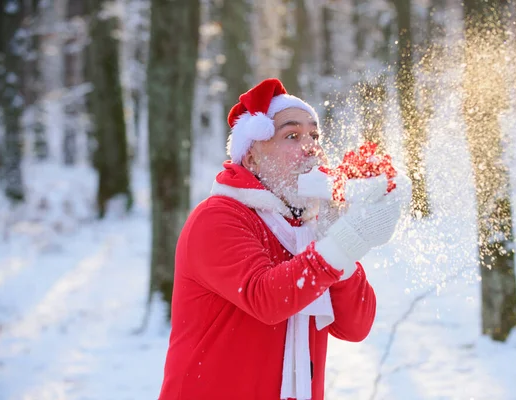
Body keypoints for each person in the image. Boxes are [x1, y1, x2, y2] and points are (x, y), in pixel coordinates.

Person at [158, 78, 409, 400]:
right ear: (251, 159)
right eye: (292, 136)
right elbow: (266, 299)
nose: (311, 147)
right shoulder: (218, 217)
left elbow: (355, 326)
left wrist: (336, 236)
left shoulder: (306, 229)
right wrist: (346, 241)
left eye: (315, 135)